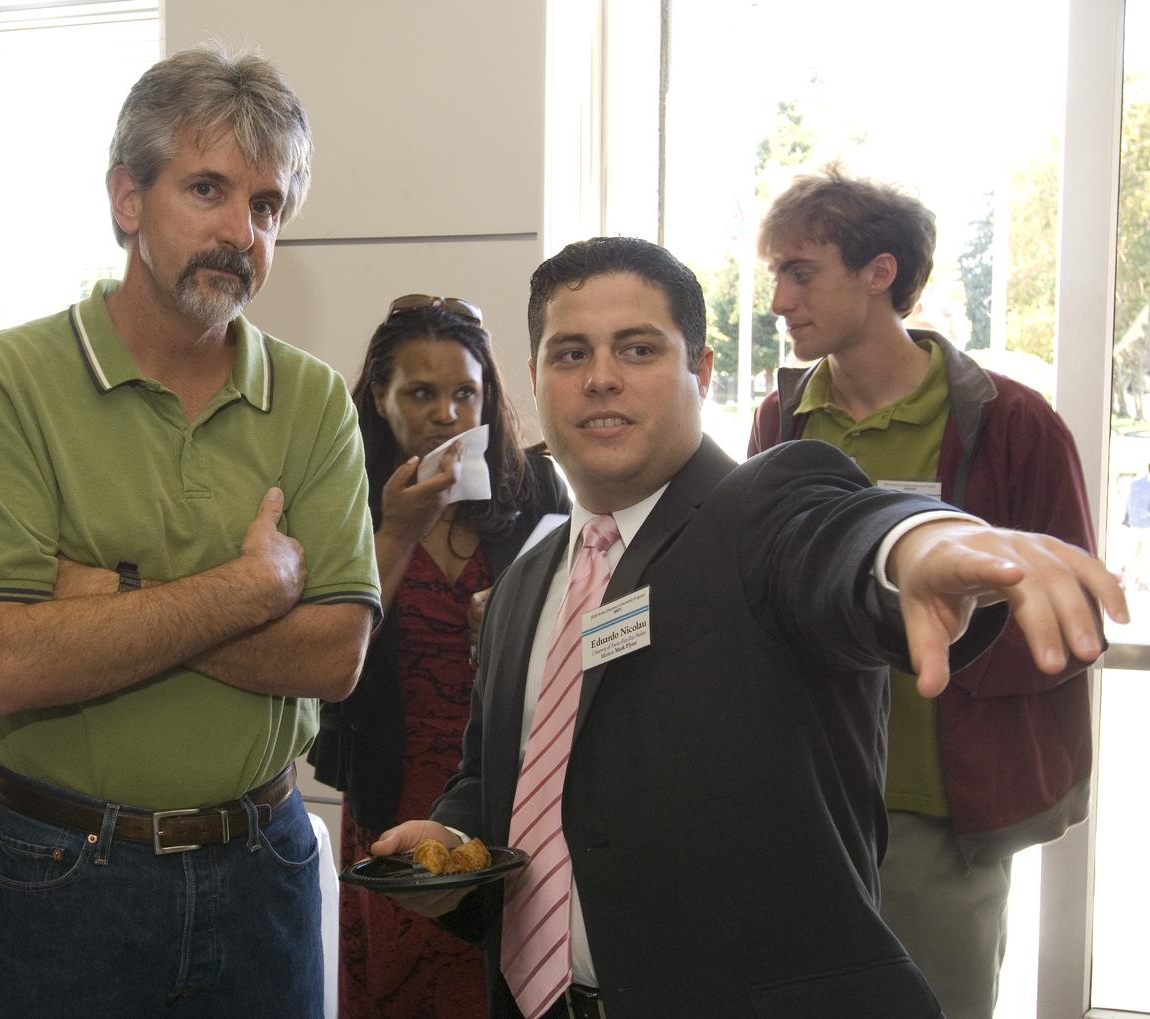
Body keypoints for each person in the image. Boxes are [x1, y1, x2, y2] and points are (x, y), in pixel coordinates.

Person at [369, 235, 1124, 1019]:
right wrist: (453, 842)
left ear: (699, 369)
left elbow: (838, 531)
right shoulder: (524, 582)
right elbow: (494, 776)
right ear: (533, 381)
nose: (600, 378)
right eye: (569, 354)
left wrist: (916, 545)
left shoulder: (761, 508)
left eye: (637, 348)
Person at [0, 46, 380, 1018]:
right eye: (206, 188)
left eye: (265, 207)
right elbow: (3, 662)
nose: (238, 231)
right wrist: (249, 589)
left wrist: (103, 599)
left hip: (266, 867)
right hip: (60, 875)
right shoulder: (3, 385)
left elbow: (335, 653)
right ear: (127, 198)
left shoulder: (311, 402)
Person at [748, 166, 1096, 1018]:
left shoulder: (1010, 423)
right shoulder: (779, 423)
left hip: (942, 805)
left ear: (881, 272)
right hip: (811, 797)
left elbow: (1071, 605)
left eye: (801, 271)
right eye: (776, 276)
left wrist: (944, 628)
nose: (780, 299)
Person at [307, 295, 570, 1017]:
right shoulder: (344, 504)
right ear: (380, 400)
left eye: (465, 393)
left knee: (504, 984)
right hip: (393, 784)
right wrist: (396, 531)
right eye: (421, 393)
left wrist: (519, 618)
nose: (448, 414)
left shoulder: (536, 492)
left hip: (511, 795)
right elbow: (328, 672)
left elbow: (582, 632)